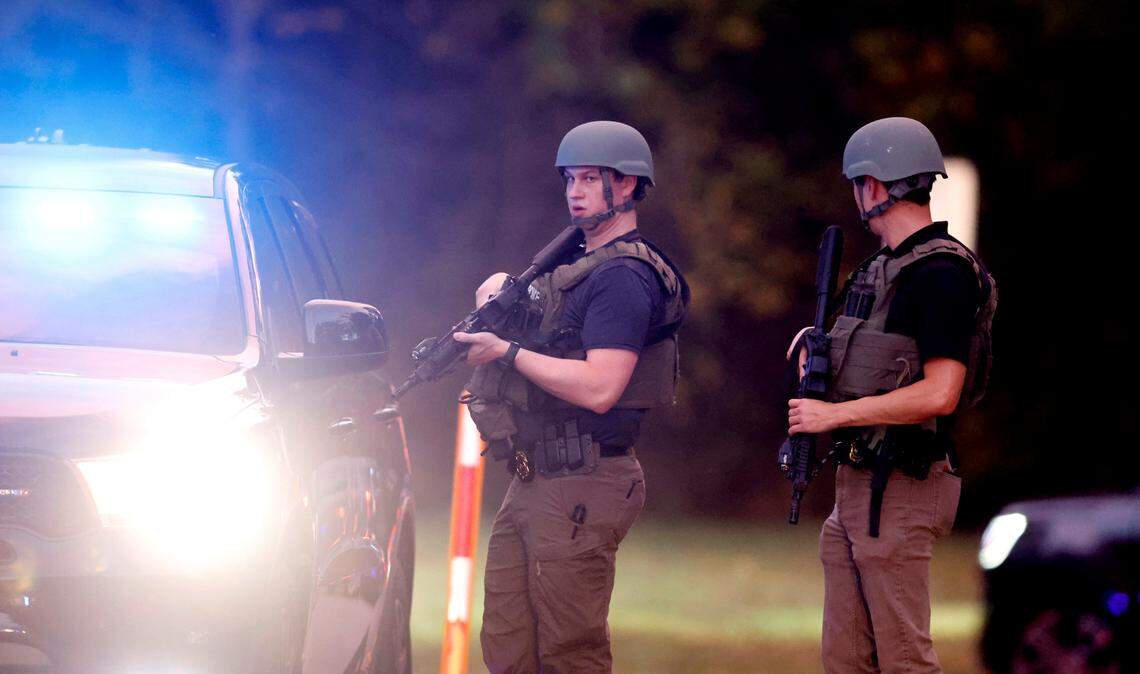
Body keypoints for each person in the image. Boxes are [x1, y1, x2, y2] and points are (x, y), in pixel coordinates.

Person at [453, 120, 689, 674]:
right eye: (569, 179)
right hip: (533, 476)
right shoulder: (568, 267)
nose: (574, 192)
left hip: (586, 477)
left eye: (589, 179)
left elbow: (601, 387)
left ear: (626, 187)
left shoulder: (624, 276)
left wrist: (507, 353)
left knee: (569, 653)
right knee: (508, 648)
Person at [787, 117, 997, 672]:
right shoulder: (880, 269)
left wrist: (833, 414)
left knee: (904, 659)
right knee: (846, 660)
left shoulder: (941, 274)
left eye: (858, 182)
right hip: (857, 484)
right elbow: (865, 360)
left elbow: (941, 392)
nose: (856, 195)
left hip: (902, 486)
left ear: (875, 186)